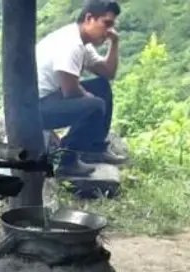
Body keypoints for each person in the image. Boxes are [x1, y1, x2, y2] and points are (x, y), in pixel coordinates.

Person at [35, 0, 125, 177]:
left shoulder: (82, 43)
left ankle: (94, 149)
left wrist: (114, 43)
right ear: (89, 18)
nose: (109, 32)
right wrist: (88, 97)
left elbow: (108, 72)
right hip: (35, 108)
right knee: (96, 105)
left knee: (102, 86)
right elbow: (70, 91)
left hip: (49, 98)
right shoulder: (72, 44)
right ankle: (67, 161)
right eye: (106, 24)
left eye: (112, 26)